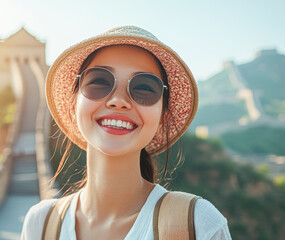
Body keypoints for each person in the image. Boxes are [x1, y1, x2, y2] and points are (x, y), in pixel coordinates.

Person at [21, 26, 231, 240]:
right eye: (99, 82)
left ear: (162, 118)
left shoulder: (198, 225)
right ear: (73, 105)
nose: (118, 100)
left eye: (144, 88)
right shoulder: (41, 224)